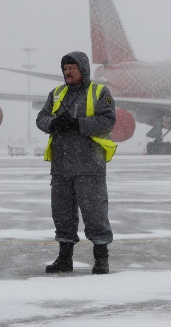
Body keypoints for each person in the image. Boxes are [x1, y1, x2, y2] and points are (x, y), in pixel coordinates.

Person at [36, 51, 117, 275]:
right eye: (65, 69)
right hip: (61, 165)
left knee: (95, 212)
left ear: (83, 69)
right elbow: (41, 118)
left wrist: (78, 124)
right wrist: (54, 124)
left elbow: (108, 120)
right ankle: (65, 258)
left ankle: (101, 258)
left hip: (89, 164)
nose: (68, 72)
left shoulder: (100, 92)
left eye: (72, 68)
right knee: (62, 213)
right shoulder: (56, 93)